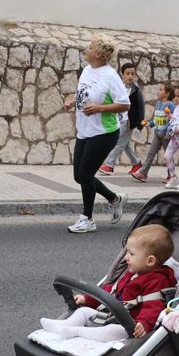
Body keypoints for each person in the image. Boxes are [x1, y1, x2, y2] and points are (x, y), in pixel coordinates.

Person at [38, 224, 175, 341]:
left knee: (111, 331)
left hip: (128, 326)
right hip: (111, 315)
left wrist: (144, 323)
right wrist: (87, 299)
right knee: (84, 311)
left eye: (131, 254)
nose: (126, 257)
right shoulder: (133, 272)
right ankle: (62, 326)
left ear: (150, 261)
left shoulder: (158, 280)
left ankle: (76, 332)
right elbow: (111, 291)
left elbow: (153, 306)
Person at [63, 35, 128, 234]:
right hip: (85, 130)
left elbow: (125, 104)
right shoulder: (87, 70)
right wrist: (72, 101)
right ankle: (114, 199)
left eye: (89, 47)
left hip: (104, 132)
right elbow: (83, 93)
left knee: (85, 174)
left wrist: (100, 108)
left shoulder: (110, 76)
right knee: (79, 176)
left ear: (99, 54)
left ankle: (88, 219)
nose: (86, 50)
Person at [101, 63, 143, 174]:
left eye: (132, 74)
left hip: (129, 121)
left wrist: (140, 121)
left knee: (118, 142)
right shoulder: (118, 87)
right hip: (118, 119)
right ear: (122, 74)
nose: (130, 76)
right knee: (126, 144)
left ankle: (109, 165)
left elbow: (140, 106)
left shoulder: (136, 91)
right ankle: (137, 163)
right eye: (128, 74)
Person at [130, 82, 174, 183]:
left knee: (168, 156)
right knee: (150, 153)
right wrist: (148, 123)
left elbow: (173, 120)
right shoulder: (158, 104)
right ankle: (143, 174)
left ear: (167, 94)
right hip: (157, 134)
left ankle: (172, 176)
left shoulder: (170, 105)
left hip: (166, 135)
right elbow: (155, 119)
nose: (158, 91)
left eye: (161, 89)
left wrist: (168, 132)